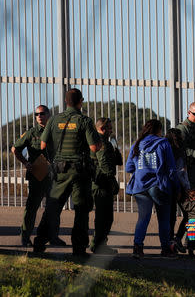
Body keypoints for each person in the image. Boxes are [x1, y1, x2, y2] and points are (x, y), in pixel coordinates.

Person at [33, 88, 102, 256]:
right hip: (80, 172)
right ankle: (78, 249)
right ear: (81, 101)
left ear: (65, 101)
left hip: (59, 170)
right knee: (81, 209)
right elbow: (94, 147)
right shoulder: (84, 121)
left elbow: (42, 145)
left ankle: (39, 243)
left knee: (52, 207)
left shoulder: (54, 119)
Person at [12, 105, 65, 247]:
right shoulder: (32, 133)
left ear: (48, 114)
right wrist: (25, 163)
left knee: (53, 207)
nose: (39, 116)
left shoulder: (56, 131)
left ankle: (53, 237)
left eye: (42, 113)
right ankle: (25, 237)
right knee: (32, 207)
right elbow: (15, 149)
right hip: (37, 175)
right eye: (36, 114)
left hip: (53, 175)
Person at [126, 119, 179, 259]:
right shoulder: (163, 143)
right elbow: (172, 169)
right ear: (158, 130)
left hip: (140, 187)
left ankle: (137, 248)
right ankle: (166, 249)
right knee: (163, 220)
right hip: (158, 186)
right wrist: (177, 187)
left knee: (143, 218)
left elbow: (128, 168)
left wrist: (141, 168)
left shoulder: (137, 144)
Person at [89, 118, 122, 254]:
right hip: (103, 184)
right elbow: (105, 165)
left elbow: (118, 161)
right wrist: (113, 182)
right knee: (105, 217)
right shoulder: (102, 143)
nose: (111, 130)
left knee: (103, 216)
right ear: (102, 129)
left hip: (99, 183)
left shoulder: (101, 142)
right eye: (109, 128)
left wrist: (116, 148)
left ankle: (98, 244)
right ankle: (99, 245)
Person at [165, 128, 190, 253]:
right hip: (178, 187)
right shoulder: (179, 150)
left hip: (166, 186)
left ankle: (170, 243)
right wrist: (185, 187)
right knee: (190, 214)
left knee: (170, 217)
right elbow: (181, 172)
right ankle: (178, 239)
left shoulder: (163, 149)